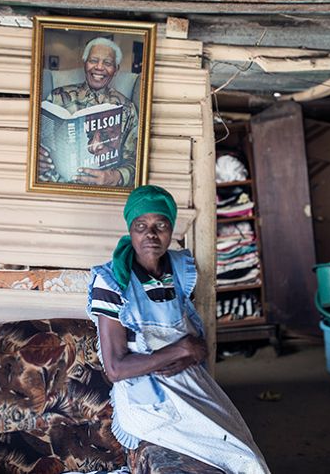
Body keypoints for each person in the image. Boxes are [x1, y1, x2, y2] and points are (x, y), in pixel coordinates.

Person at [87, 185, 270, 474]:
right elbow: (116, 368)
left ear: (171, 229)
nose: (151, 234)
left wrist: (192, 351)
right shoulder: (111, 282)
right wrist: (181, 348)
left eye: (160, 225)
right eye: (141, 226)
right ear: (131, 231)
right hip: (150, 399)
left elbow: (193, 340)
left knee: (244, 448)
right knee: (239, 458)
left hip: (190, 380)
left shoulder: (178, 270)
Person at [39, 37, 139, 187]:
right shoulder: (56, 97)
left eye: (107, 63)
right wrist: (37, 156)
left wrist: (116, 176)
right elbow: (38, 141)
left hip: (102, 190)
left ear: (116, 70)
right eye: (93, 60)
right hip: (56, 185)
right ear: (85, 63)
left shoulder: (127, 108)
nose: (99, 67)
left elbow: (136, 159)